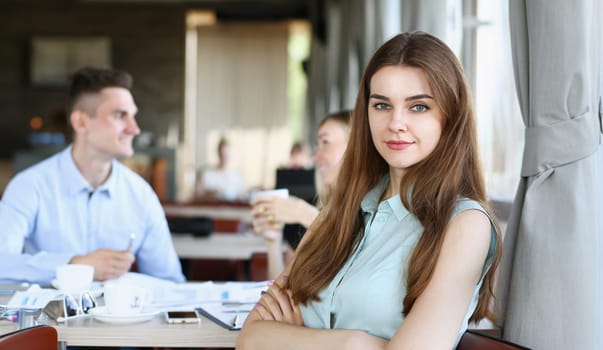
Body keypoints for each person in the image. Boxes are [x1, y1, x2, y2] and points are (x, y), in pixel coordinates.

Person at [237, 32, 502, 349]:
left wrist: (299, 338)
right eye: (381, 105)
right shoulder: (338, 212)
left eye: (418, 107)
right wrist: (356, 342)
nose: (396, 123)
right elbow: (251, 338)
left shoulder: (465, 225)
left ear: (451, 117)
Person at [0, 67, 185, 284]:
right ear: (81, 122)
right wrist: (75, 265)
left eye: (133, 116)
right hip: (48, 318)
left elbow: (169, 282)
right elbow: (3, 264)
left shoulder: (141, 195)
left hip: (122, 317)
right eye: (120, 116)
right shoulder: (30, 186)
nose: (134, 129)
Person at [250, 111, 352, 279]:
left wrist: (304, 214)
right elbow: (283, 287)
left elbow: (353, 262)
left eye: (325, 143)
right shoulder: (325, 210)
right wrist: (273, 243)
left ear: (356, 146)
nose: (315, 157)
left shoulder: (375, 212)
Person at [194, 136, 246, 201]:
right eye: (222, 154)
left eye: (227, 154)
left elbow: (242, 197)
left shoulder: (237, 176)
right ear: (218, 153)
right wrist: (210, 193)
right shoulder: (207, 174)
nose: (224, 157)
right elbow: (197, 196)